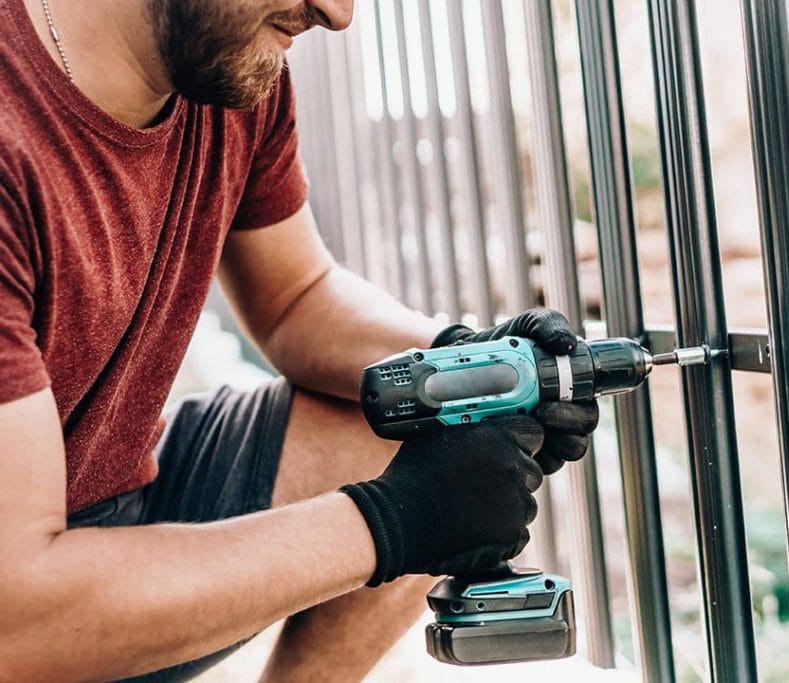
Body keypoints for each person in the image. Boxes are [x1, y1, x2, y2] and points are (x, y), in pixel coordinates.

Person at [0, 1, 599, 680]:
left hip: (122, 511)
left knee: (425, 417)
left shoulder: (224, 65)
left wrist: (467, 357)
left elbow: (296, 299)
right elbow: (15, 616)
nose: (338, 14)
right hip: (25, 610)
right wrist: (393, 521)